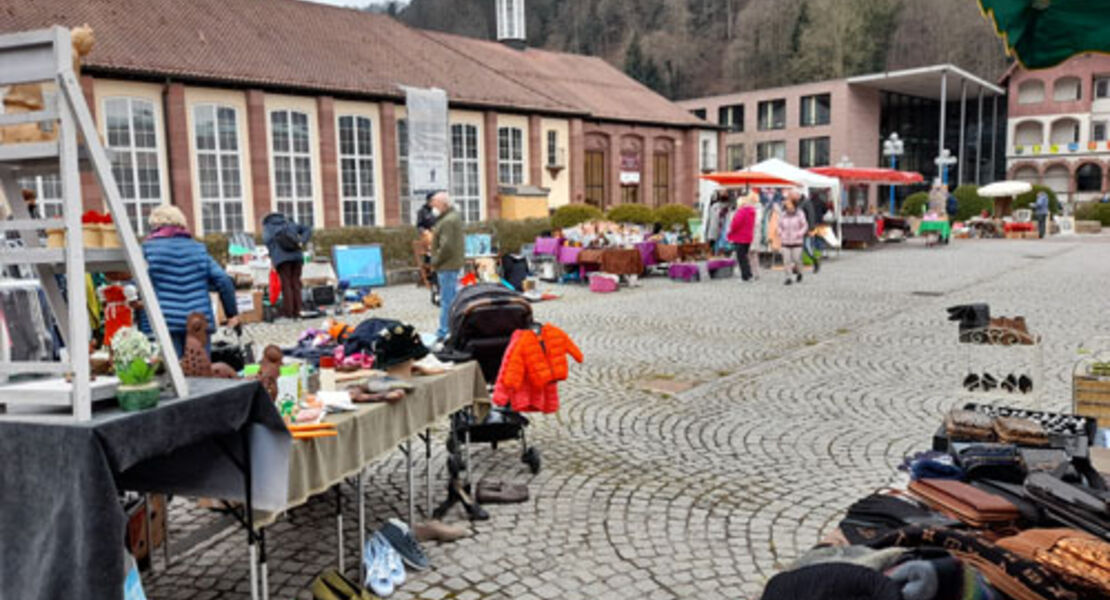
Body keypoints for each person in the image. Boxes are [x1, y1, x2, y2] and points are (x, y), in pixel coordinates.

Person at [141, 205, 238, 357]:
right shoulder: (198, 249)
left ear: (155, 225)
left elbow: (137, 284)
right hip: (198, 323)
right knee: (200, 372)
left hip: (166, 323)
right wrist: (231, 313)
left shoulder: (148, 250)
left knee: (173, 375)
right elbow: (223, 280)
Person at [262, 212, 312, 318]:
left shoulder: (268, 228)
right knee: (296, 283)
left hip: (282, 259)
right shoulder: (290, 223)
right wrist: (302, 241)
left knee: (286, 284)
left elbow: (268, 243)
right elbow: (307, 229)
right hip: (297, 257)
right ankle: (297, 310)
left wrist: (272, 258)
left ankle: (289, 312)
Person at [430, 191, 464, 342]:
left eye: (435, 202)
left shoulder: (448, 221)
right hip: (450, 264)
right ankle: (451, 328)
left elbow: (446, 246)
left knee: (447, 300)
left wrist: (435, 261)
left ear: (444, 204)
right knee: (451, 298)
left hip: (447, 265)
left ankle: (444, 331)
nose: (432, 205)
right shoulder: (450, 218)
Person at [778, 194, 809, 286]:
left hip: (797, 241)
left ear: (794, 205)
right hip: (785, 241)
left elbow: (805, 225)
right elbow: (779, 226)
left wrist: (799, 233)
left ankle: (799, 272)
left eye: (790, 205)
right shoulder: (783, 215)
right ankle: (788, 277)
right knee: (786, 260)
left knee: (797, 259)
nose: (788, 207)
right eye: (787, 205)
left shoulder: (800, 214)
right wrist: (781, 233)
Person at [726, 192, 757, 281]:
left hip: (740, 238)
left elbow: (735, 224)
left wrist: (730, 231)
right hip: (748, 238)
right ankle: (749, 274)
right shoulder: (751, 212)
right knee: (745, 257)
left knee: (741, 258)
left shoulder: (741, 212)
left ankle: (745, 276)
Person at [797, 192, 821, 274]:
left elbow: (811, 215)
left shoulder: (806, 203)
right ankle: (797, 267)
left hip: (806, 228)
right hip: (798, 229)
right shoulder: (798, 203)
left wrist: (810, 228)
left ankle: (815, 261)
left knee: (806, 247)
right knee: (798, 248)